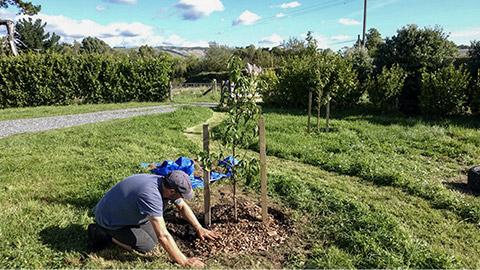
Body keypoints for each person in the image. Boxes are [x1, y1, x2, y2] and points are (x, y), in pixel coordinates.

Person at [88, 170, 218, 268]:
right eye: (181, 194)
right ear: (172, 191)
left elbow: (182, 206)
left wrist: (199, 228)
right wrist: (184, 261)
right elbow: (163, 236)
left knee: (154, 239)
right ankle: (102, 232)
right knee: (147, 247)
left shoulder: (163, 183)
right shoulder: (150, 195)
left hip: (129, 214)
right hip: (111, 219)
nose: (182, 197)